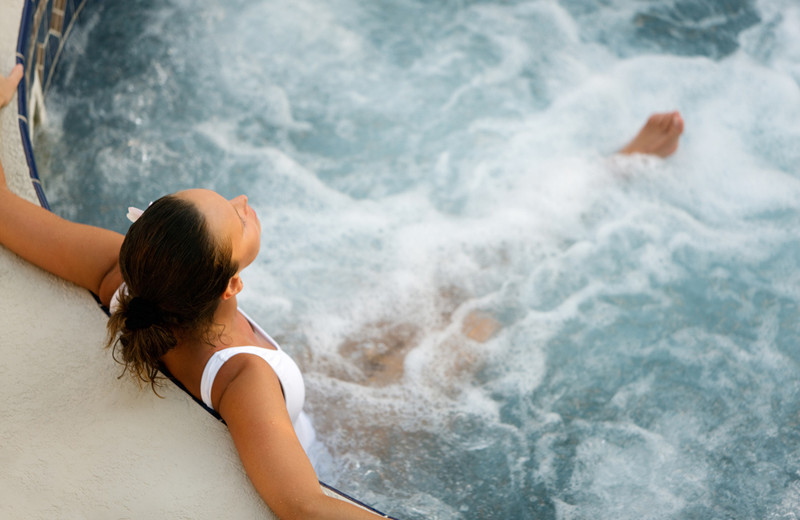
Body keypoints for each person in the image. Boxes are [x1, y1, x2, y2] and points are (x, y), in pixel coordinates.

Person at [0, 65, 683, 518]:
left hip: (314, 383)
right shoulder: (242, 379)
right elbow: (301, 502)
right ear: (234, 285)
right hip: (347, 440)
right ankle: (611, 182)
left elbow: (5, 211)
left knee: (444, 281)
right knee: (475, 330)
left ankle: (608, 171)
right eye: (237, 217)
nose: (243, 201)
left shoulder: (121, 272)